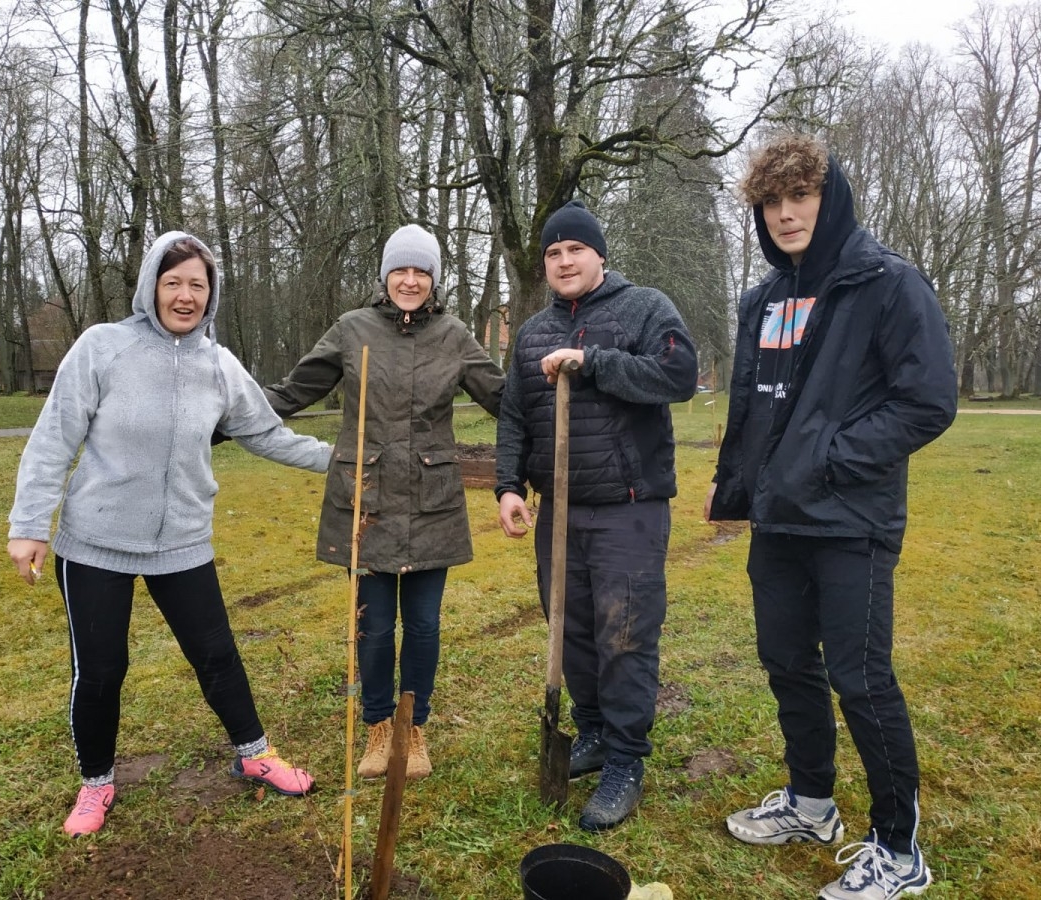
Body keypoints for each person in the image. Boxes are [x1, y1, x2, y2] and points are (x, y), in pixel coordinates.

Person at [7, 231, 333, 837]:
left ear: (211, 297)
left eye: (197, 286)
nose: (184, 296)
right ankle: (96, 784)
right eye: (173, 282)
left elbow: (266, 434)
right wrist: (29, 525)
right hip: (95, 544)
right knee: (101, 670)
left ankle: (255, 755)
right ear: (151, 285)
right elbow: (55, 436)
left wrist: (341, 459)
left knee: (216, 655)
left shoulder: (219, 364)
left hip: (182, 541)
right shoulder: (103, 347)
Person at [706, 134, 957, 899]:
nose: (786, 215)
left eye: (800, 197)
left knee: (861, 678)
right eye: (771, 202)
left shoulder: (885, 283)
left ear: (831, 196)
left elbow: (928, 400)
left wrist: (833, 456)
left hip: (852, 520)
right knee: (787, 662)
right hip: (780, 522)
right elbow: (752, 405)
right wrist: (741, 485)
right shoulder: (763, 299)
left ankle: (898, 848)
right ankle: (812, 803)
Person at [264, 224, 504, 781]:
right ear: (386, 275)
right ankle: (377, 728)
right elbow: (294, 391)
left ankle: (411, 728)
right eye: (402, 269)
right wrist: (223, 413)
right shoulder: (353, 330)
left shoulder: (453, 335)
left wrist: (559, 398)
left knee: (422, 625)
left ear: (434, 280)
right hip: (365, 502)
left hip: (432, 504)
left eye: (422, 271)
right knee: (373, 625)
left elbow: (505, 400)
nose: (411, 280)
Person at [495, 200, 698, 832]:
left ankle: (627, 760)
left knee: (625, 634)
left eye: (574, 249)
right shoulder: (532, 333)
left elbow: (679, 374)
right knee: (571, 629)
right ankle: (593, 731)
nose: (563, 261)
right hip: (559, 511)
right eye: (553, 254)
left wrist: (595, 363)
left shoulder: (643, 308)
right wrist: (508, 486)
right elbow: (513, 416)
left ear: (599, 254)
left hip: (628, 511)